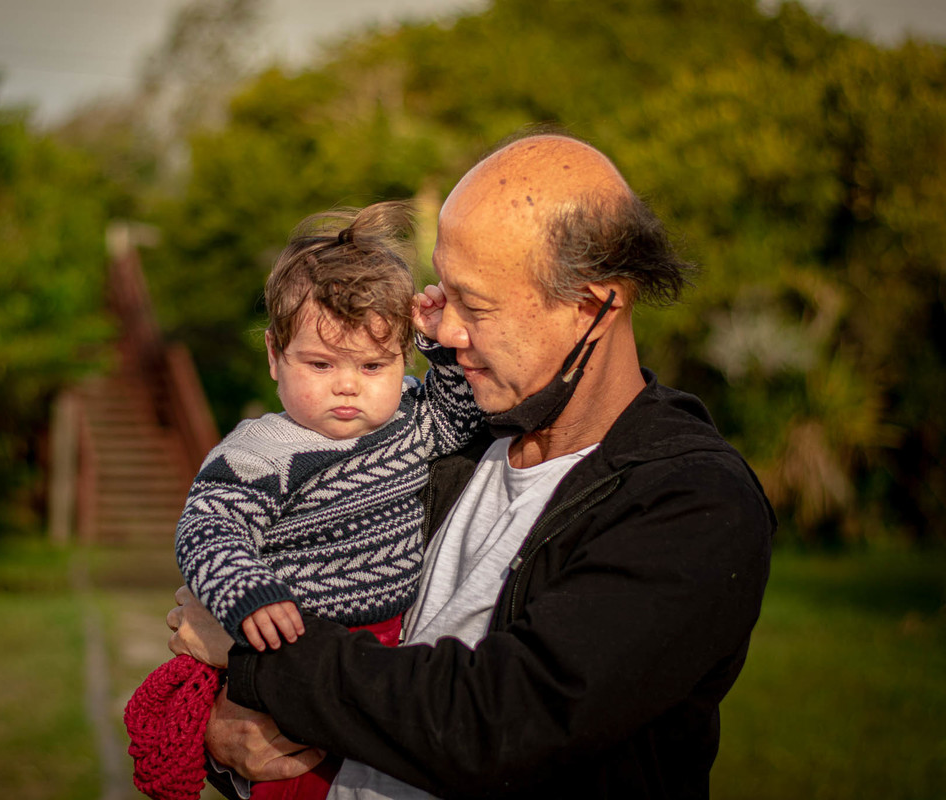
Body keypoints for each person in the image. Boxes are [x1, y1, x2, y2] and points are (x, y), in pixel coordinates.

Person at [166, 132, 776, 800]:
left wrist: (259, 659)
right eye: (442, 295)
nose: (444, 333)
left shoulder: (692, 501)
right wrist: (230, 742)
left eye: (475, 306)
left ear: (593, 306)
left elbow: (499, 724)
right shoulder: (448, 434)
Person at [125, 201, 484, 800]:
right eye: (320, 364)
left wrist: (443, 349)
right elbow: (209, 528)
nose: (348, 384)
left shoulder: (410, 417)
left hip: (390, 650)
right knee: (296, 780)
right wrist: (246, 593)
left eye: (374, 364)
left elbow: (457, 416)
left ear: (404, 358)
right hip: (293, 643)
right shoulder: (264, 449)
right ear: (274, 355)